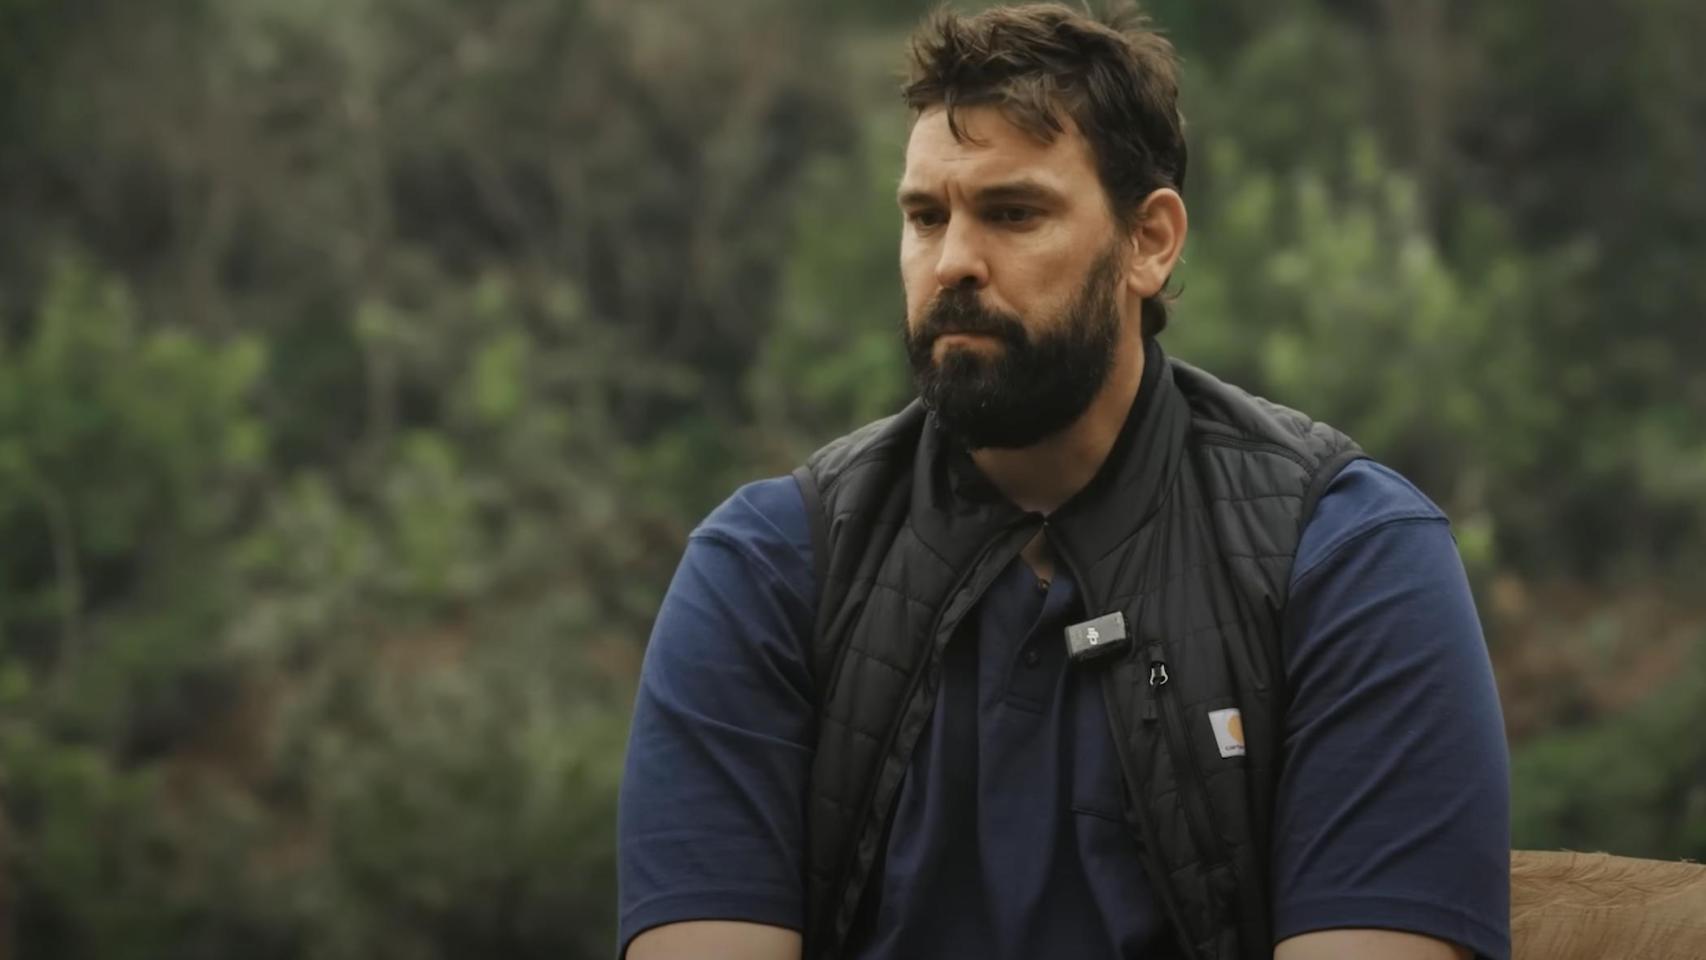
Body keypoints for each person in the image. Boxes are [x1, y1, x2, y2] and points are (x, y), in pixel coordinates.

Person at [617, 4, 1510, 959]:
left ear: (1148, 241)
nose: (953, 262)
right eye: (925, 217)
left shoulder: (1345, 558)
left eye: (1013, 213)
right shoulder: (770, 571)